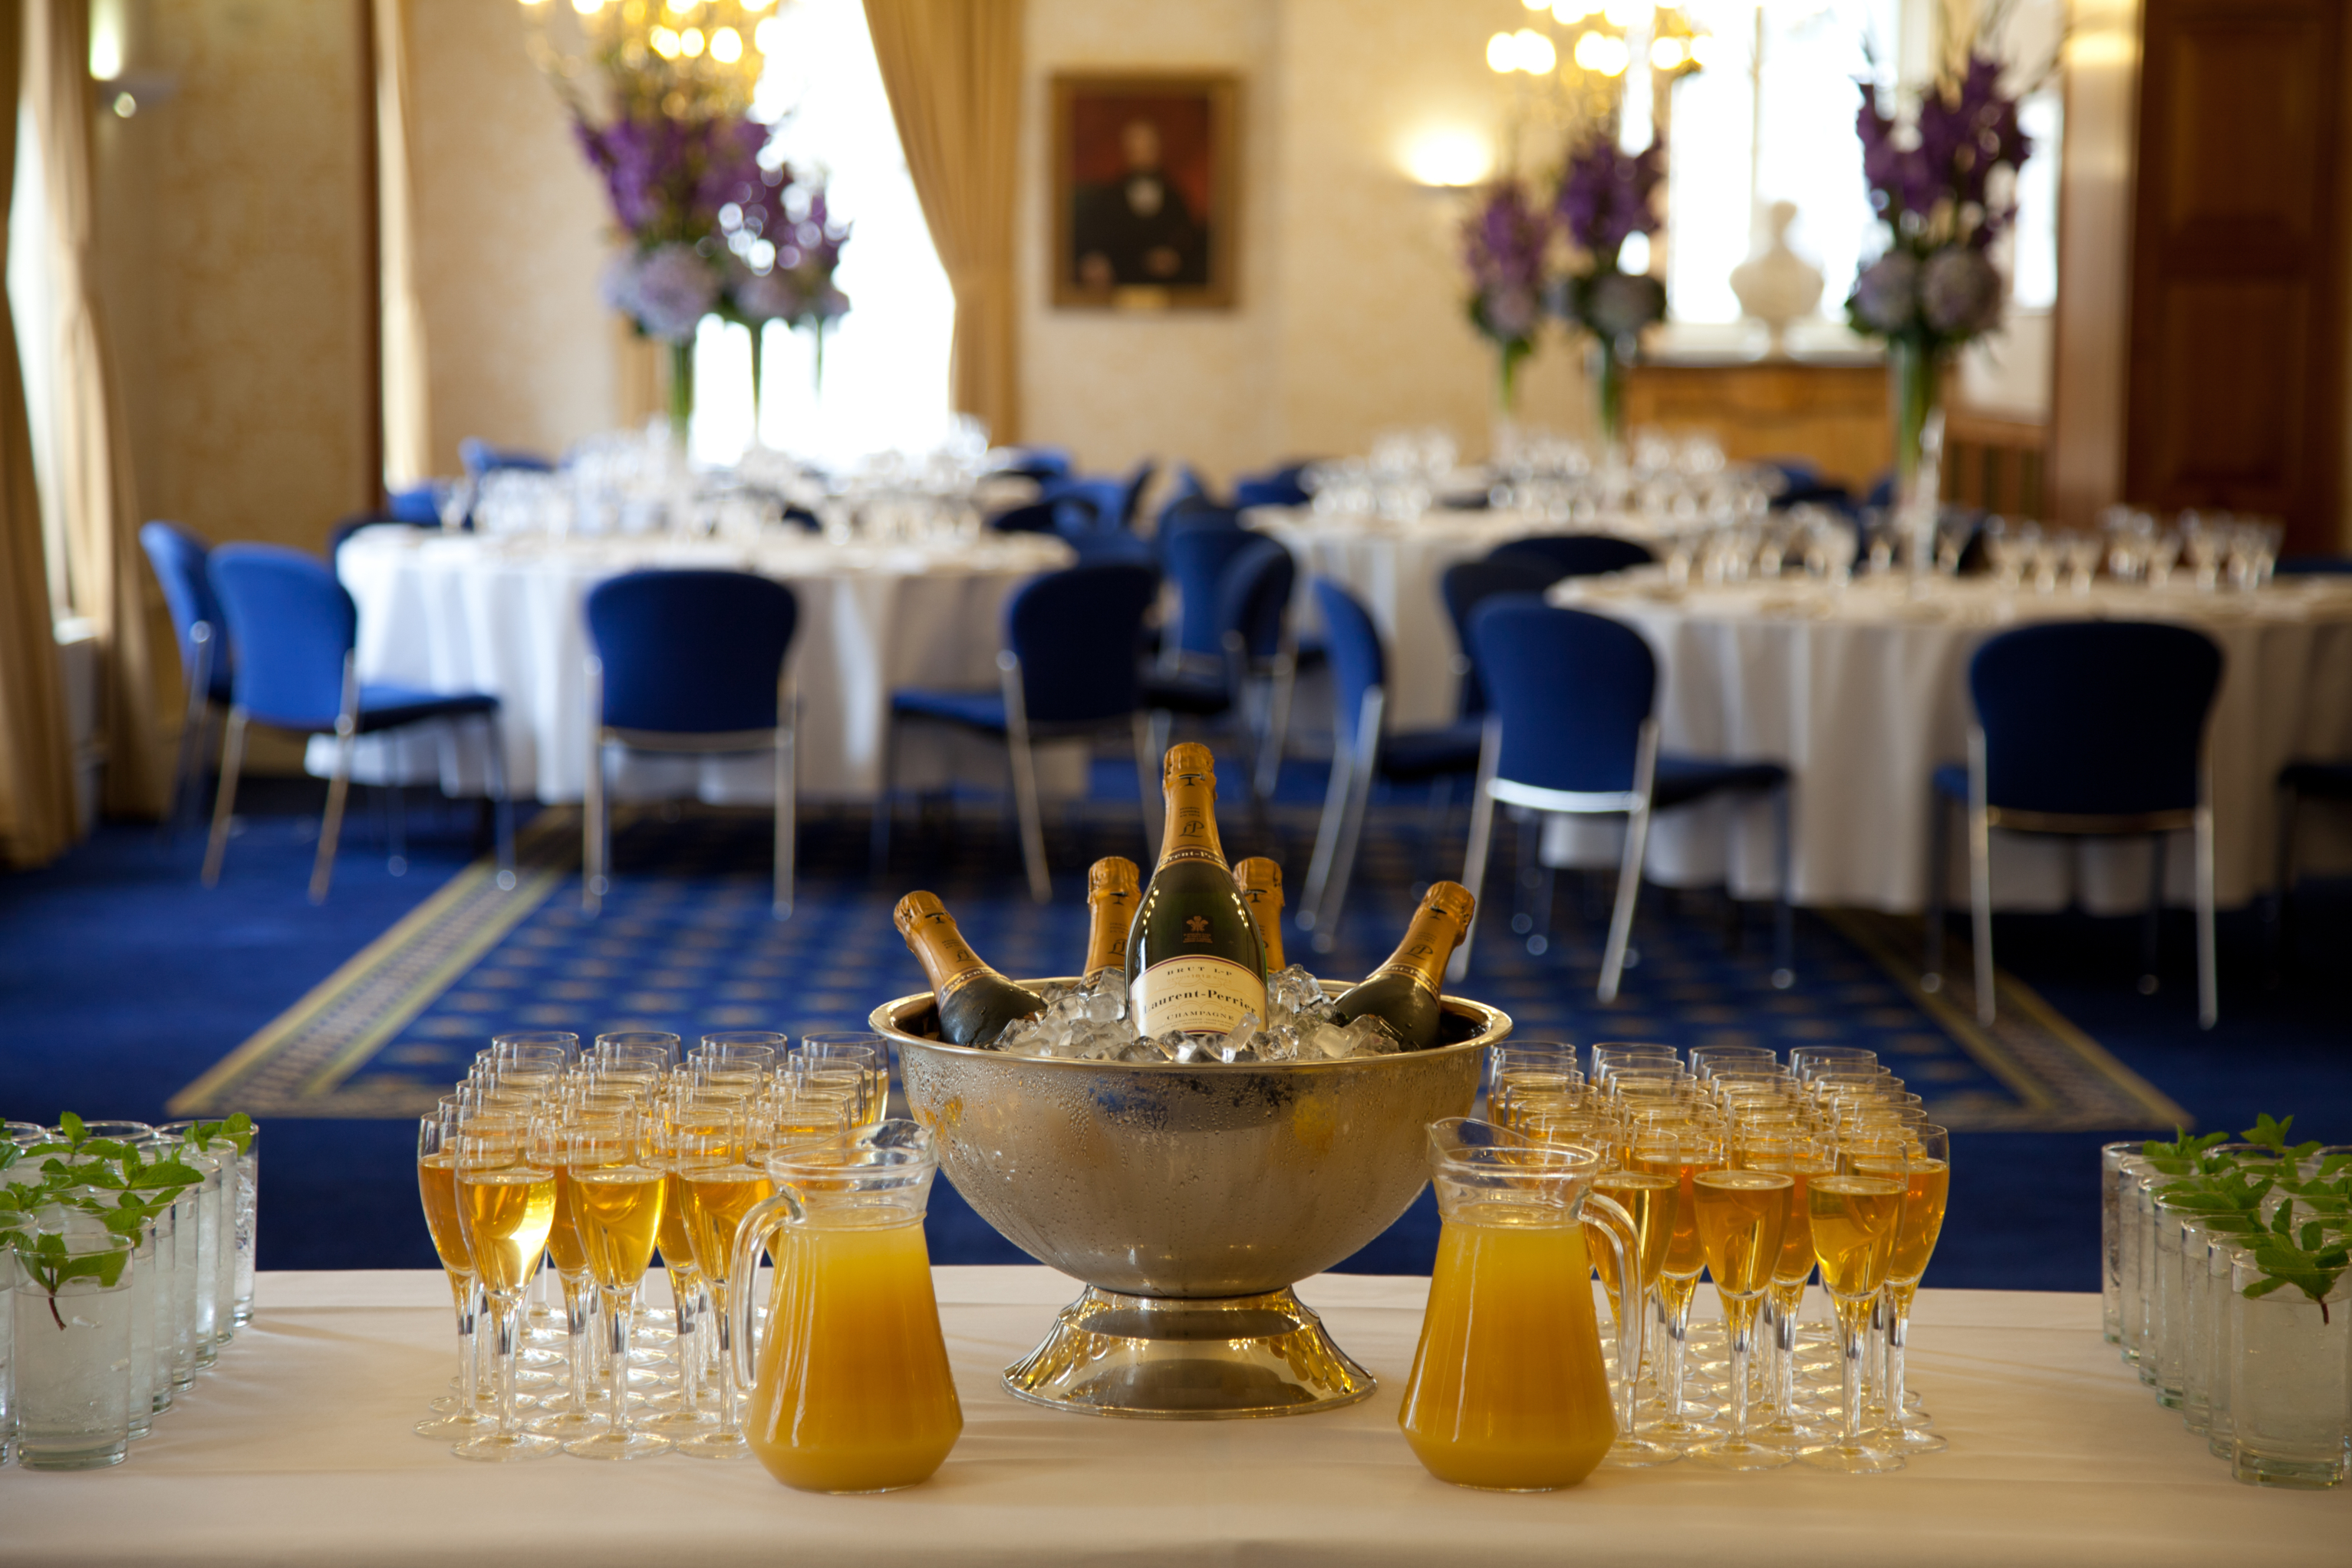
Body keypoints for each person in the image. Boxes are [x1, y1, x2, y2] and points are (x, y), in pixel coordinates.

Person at [1070, 117, 1207, 290]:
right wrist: (1093, 259)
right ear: (1125, 150)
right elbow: (1089, 241)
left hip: (1167, 290)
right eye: (1135, 148)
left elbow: (1190, 241)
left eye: (1147, 147)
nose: (1141, 154)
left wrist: (1175, 256)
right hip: (1118, 287)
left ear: (1159, 149)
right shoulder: (1107, 198)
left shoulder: (1175, 197)